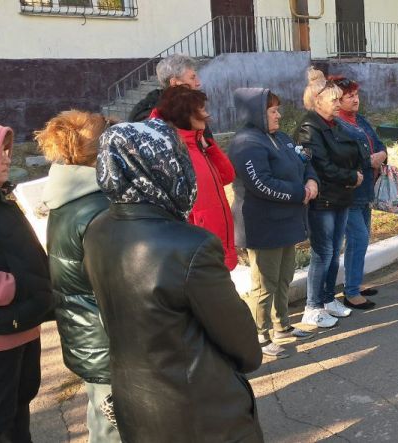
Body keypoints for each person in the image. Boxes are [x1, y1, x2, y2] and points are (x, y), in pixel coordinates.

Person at [83, 120, 263, 442]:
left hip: (135, 405)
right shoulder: (190, 246)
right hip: (203, 412)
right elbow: (244, 345)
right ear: (163, 166)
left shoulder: (97, 230)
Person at [36, 111, 121, 442]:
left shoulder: (69, 197)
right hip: (107, 342)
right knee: (114, 428)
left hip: (90, 338)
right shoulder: (96, 208)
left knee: (103, 422)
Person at [228, 87, 319, 357]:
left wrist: (312, 179)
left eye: (277, 109)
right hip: (263, 224)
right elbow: (261, 184)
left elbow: (304, 160)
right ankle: (261, 334)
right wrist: (299, 192)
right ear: (256, 113)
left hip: (286, 220)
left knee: (283, 277)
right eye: (272, 111)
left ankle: (282, 326)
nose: (278, 115)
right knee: (265, 283)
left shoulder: (278, 137)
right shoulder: (247, 143)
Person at [0, 121, 55, 443]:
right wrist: (13, 287)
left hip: (23, 327)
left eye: (9, 151)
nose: (8, 158)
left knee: (18, 415)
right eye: (0, 152)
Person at [294, 68, 363, 322]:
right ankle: (312, 307)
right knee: (323, 252)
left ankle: (326, 298)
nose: (338, 103)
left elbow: (354, 151)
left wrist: (354, 172)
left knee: (335, 251)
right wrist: (351, 176)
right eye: (334, 99)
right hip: (323, 199)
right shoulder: (309, 128)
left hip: (341, 196)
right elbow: (321, 165)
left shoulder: (334, 125)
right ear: (317, 102)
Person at [156, 86, 238, 269]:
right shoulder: (176, 151)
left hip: (214, 244)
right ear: (186, 115)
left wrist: (209, 146)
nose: (207, 115)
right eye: (201, 110)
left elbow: (227, 175)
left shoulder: (197, 144)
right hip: (198, 252)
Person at [332, 75, 387, 309]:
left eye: (356, 95)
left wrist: (382, 155)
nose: (355, 100)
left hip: (366, 191)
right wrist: (369, 161)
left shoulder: (359, 120)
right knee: (358, 238)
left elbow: (380, 144)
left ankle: (354, 284)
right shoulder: (337, 124)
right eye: (349, 96)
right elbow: (342, 157)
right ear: (337, 99)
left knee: (362, 239)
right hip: (349, 193)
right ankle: (351, 292)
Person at [129, 54, 204, 124]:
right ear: (174, 82)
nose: (198, 83)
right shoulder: (151, 114)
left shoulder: (188, 106)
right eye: (192, 78)